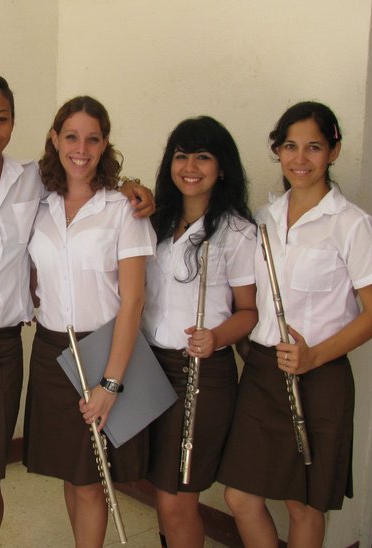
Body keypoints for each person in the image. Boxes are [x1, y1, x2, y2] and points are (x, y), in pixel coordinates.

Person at [0, 74, 155, 548]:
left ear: (14, 123)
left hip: (13, 350)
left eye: (0, 118)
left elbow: (89, 178)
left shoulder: (32, 182)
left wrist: (131, 184)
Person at [217, 101, 372, 547]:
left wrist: (314, 355)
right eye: (290, 146)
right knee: (239, 495)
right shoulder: (263, 220)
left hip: (321, 376)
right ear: (277, 150)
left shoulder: (351, 225)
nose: (300, 158)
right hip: (261, 375)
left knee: (304, 505)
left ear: (333, 151)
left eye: (314, 147)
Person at [24, 96, 156, 547]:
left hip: (104, 350)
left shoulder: (123, 210)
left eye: (93, 139)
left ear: (105, 145)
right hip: (51, 351)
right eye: (72, 136)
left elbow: (134, 301)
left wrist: (112, 383)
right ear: (55, 139)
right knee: (72, 471)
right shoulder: (39, 202)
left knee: (91, 479)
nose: (81, 148)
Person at [142, 116, 257, 547]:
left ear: (221, 167)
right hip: (147, 366)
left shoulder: (238, 233)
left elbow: (249, 312)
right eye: (181, 155)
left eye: (203, 157)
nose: (190, 166)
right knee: (160, 490)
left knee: (178, 501)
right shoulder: (153, 220)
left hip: (200, 375)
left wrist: (217, 337)